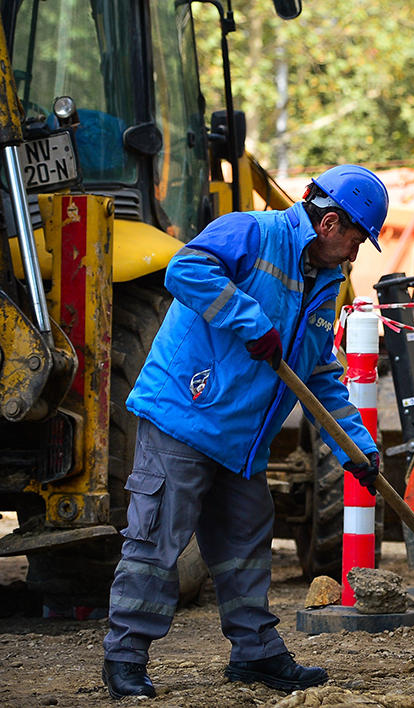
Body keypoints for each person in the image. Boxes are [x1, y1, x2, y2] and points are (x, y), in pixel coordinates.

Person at [101, 164, 389, 699]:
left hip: (242, 443)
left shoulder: (327, 283)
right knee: (157, 542)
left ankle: (255, 652)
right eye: (356, 239)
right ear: (330, 223)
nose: (356, 252)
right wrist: (249, 319)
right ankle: (125, 657)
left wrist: (358, 448)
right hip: (184, 419)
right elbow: (184, 270)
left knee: (246, 546)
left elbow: (319, 375)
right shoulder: (251, 232)